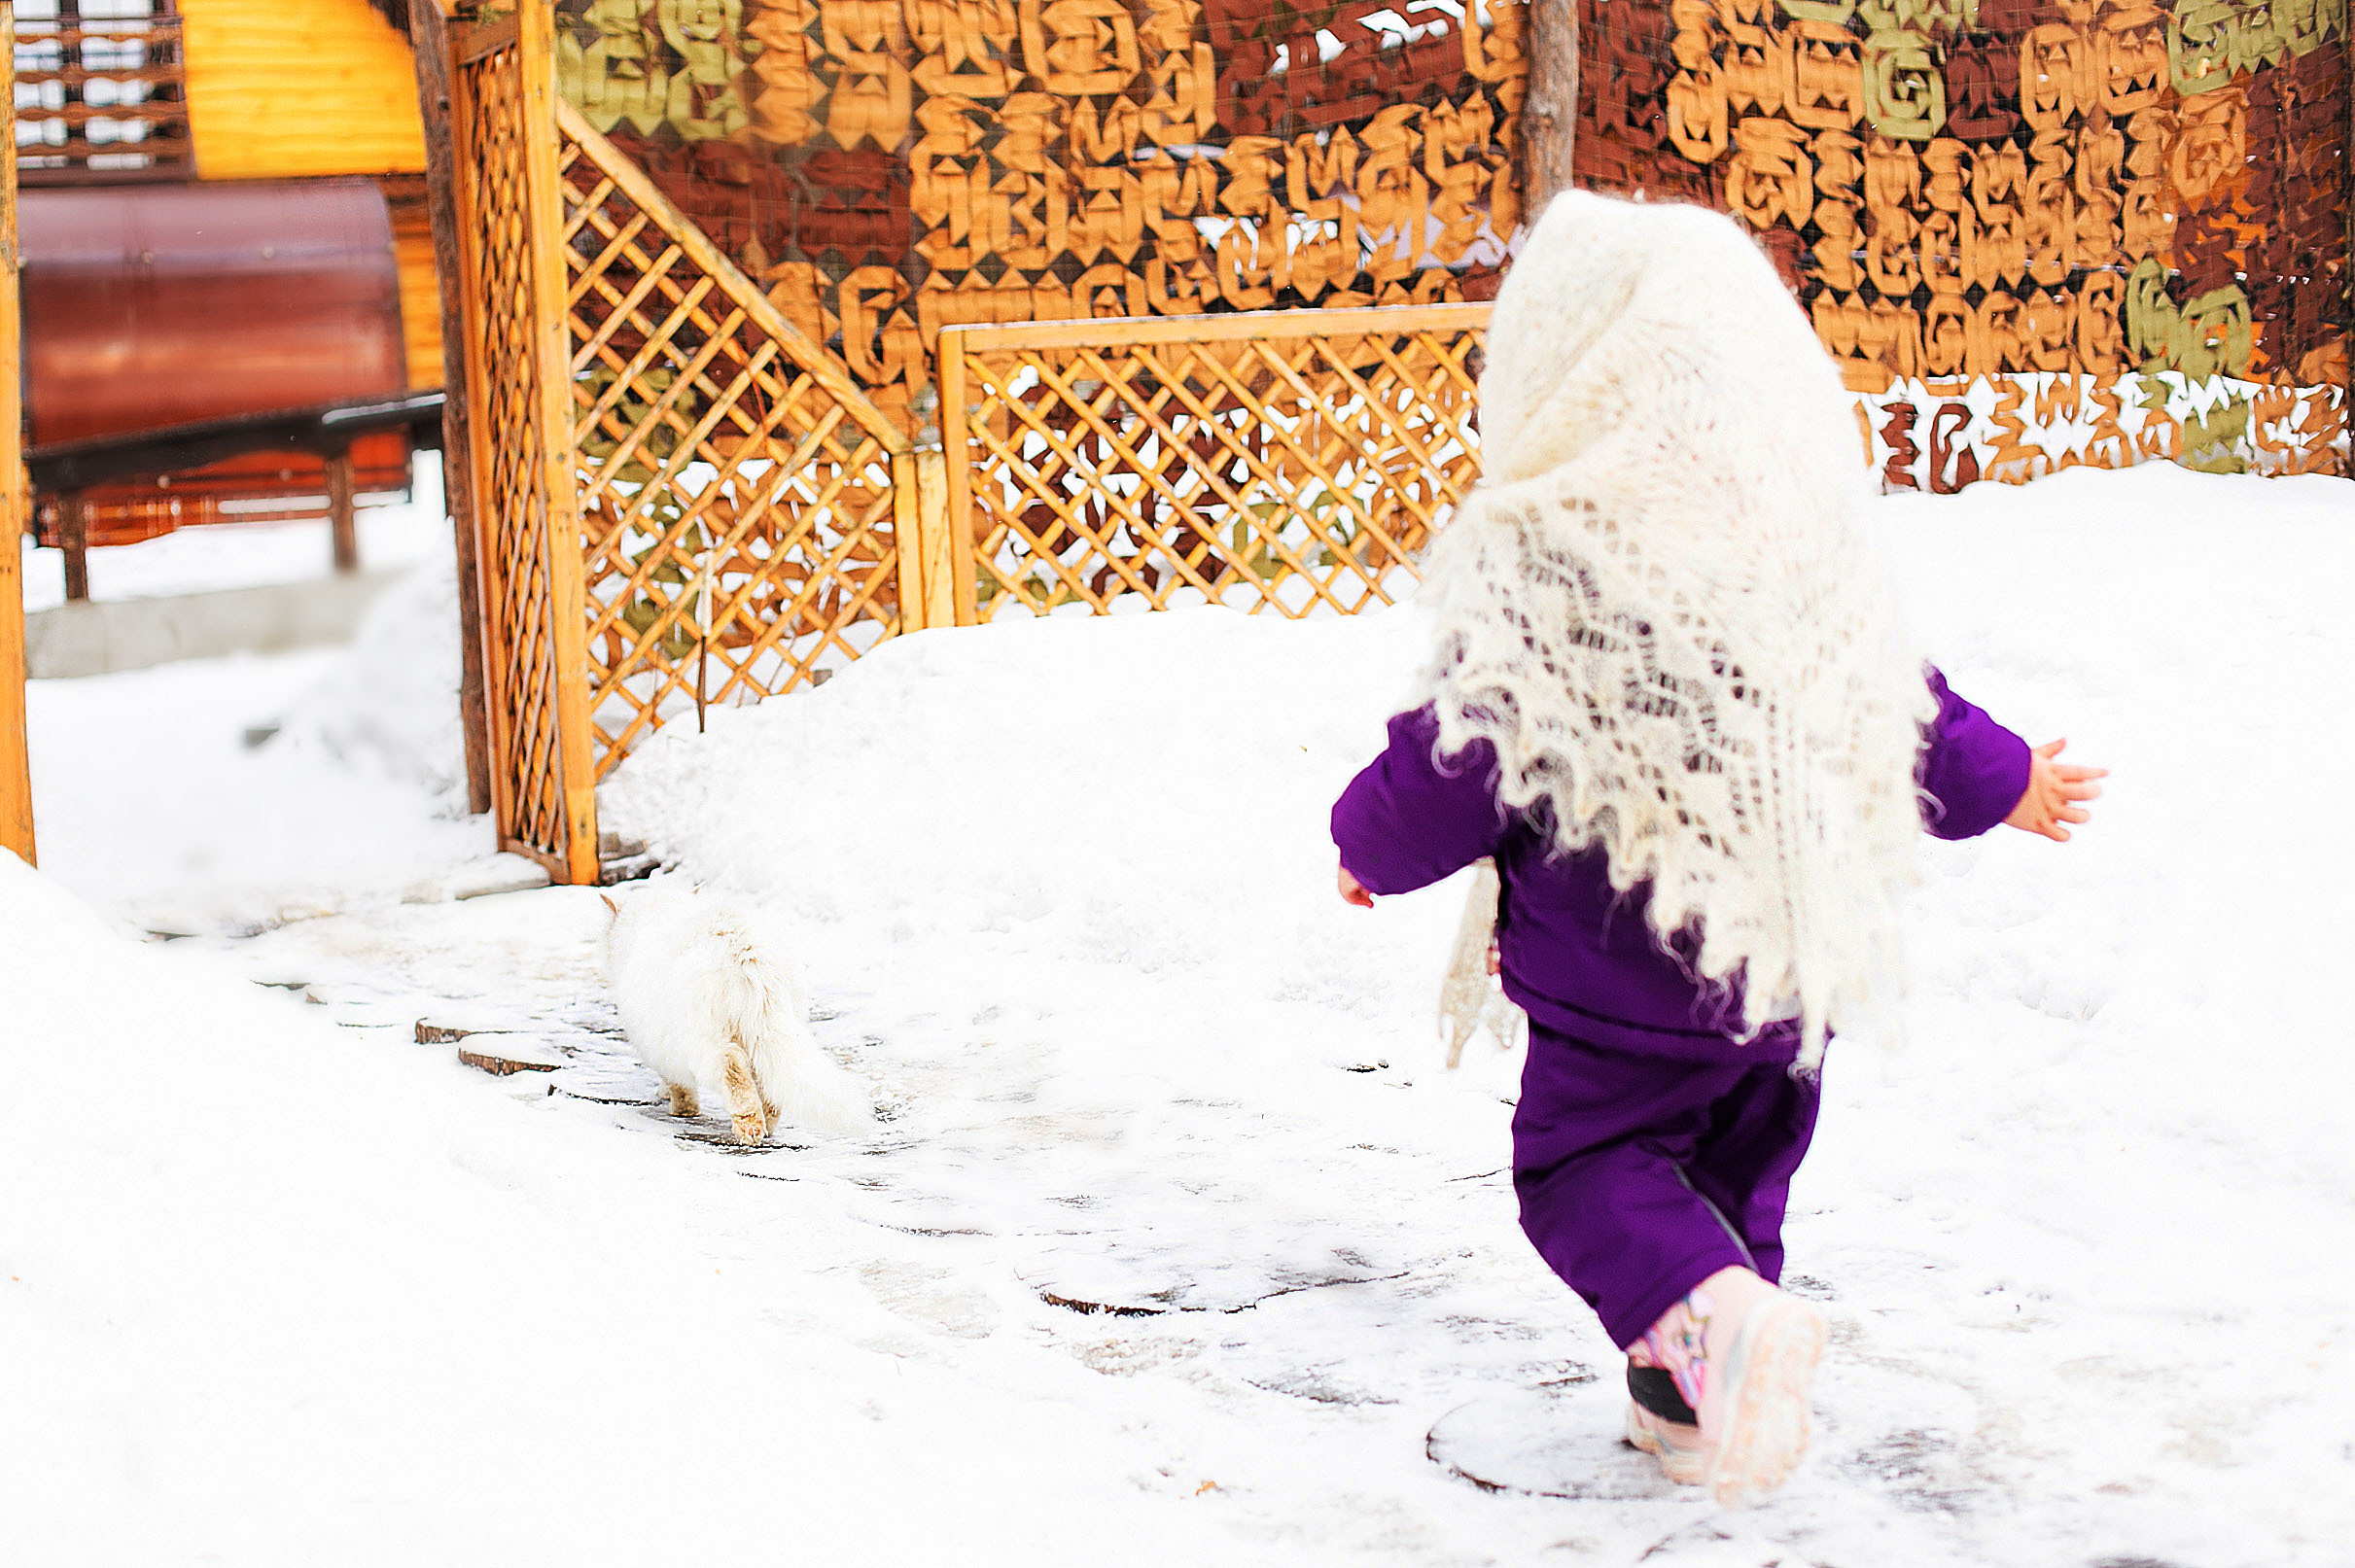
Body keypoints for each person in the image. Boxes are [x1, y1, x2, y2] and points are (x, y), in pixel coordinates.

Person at [1328, 191, 2104, 1509]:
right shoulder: (1797, 563)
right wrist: (2011, 778)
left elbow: (1455, 757)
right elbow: (1899, 710)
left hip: (1616, 1003)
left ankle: (1719, 1331)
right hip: (1780, 981)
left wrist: (1364, 841)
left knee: (1583, 1172)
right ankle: (1698, 1401)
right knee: (1723, 1203)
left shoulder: (1550, 577)